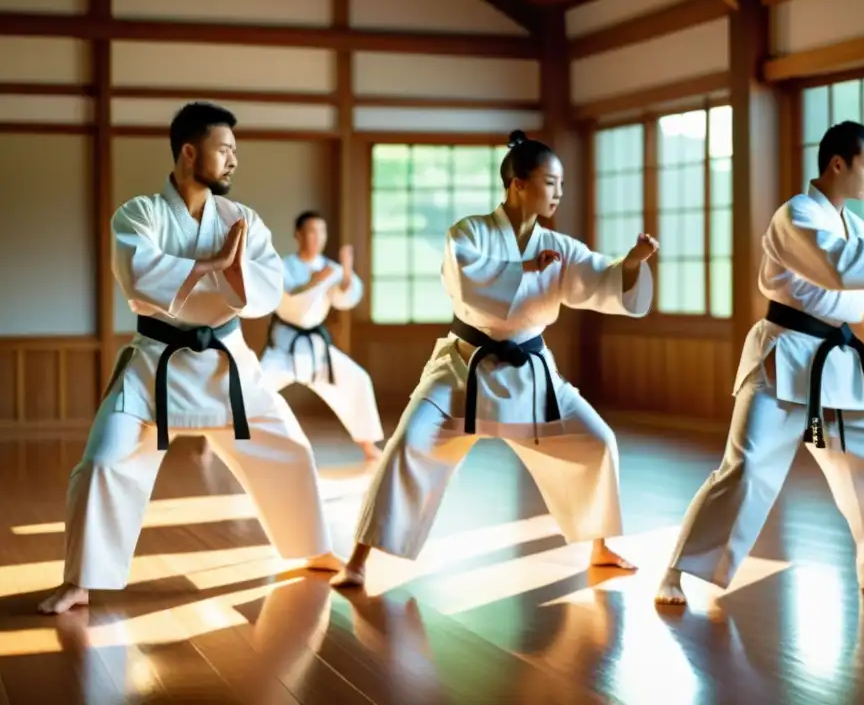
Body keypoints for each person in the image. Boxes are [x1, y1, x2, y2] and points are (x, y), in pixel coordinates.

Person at [39, 102, 342, 615]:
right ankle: (81, 581)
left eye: (234, 152)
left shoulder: (241, 218)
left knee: (290, 448)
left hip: (227, 360)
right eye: (224, 150)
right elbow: (140, 276)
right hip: (155, 361)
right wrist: (211, 265)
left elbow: (269, 288)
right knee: (101, 463)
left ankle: (314, 548)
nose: (232, 161)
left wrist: (229, 273)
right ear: (188, 151)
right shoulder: (139, 213)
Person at [655, 120, 864, 606]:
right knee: (747, 468)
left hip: (836, 368)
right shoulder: (794, 215)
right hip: (784, 359)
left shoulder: (855, 226)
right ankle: (676, 572)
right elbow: (841, 267)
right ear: (837, 164)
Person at [334, 129, 659, 588]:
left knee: (597, 442)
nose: (558, 194)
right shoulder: (469, 232)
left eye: (561, 184)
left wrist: (629, 263)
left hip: (532, 374)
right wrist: (524, 269)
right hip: (464, 367)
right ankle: (359, 558)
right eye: (550, 182)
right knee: (409, 444)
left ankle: (600, 545)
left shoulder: (558, 245)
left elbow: (595, 277)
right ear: (518, 185)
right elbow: (469, 284)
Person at [259, 211, 384, 460]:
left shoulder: (331, 268)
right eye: (311, 231)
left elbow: (344, 298)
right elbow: (289, 299)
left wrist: (346, 274)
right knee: (252, 387)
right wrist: (317, 279)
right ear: (298, 234)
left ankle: (368, 445)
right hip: (285, 345)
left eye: (322, 231)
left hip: (316, 349)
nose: (318, 237)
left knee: (356, 380)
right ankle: (225, 442)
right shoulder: (284, 266)